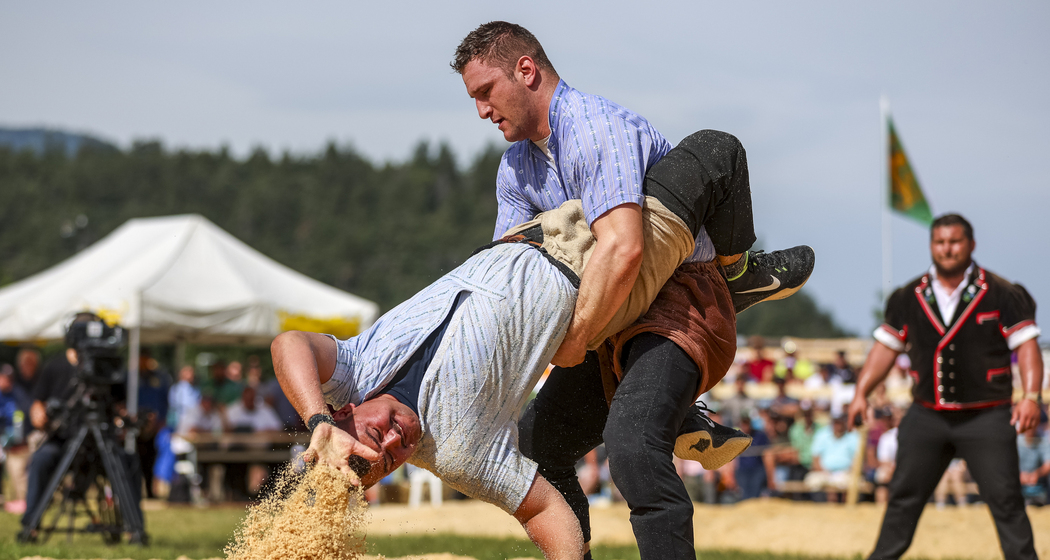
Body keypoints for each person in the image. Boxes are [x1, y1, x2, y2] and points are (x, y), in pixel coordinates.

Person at [452, 22, 814, 559]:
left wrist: (569, 342)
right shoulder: (514, 167)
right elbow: (515, 268)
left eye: (485, 92)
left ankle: (734, 282)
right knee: (537, 447)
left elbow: (624, 250)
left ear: (526, 71)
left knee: (633, 445)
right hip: (598, 325)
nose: (481, 110)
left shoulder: (596, 126)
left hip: (674, 304)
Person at [847, 213, 1043, 560]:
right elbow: (885, 348)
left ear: (971, 244)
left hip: (987, 417)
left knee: (1007, 503)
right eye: (940, 242)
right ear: (931, 246)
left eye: (954, 242)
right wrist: (860, 393)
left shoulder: (1002, 292)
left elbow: (1027, 345)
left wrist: (1030, 396)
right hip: (927, 415)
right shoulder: (908, 295)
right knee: (902, 501)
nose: (947, 249)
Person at [22, 313, 142, 538]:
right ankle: (31, 524)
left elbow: (120, 407)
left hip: (101, 442)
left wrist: (126, 420)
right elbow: (37, 404)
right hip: (64, 440)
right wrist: (40, 416)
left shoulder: (108, 368)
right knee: (40, 460)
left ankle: (133, 526)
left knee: (127, 461)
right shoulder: (55, 366)